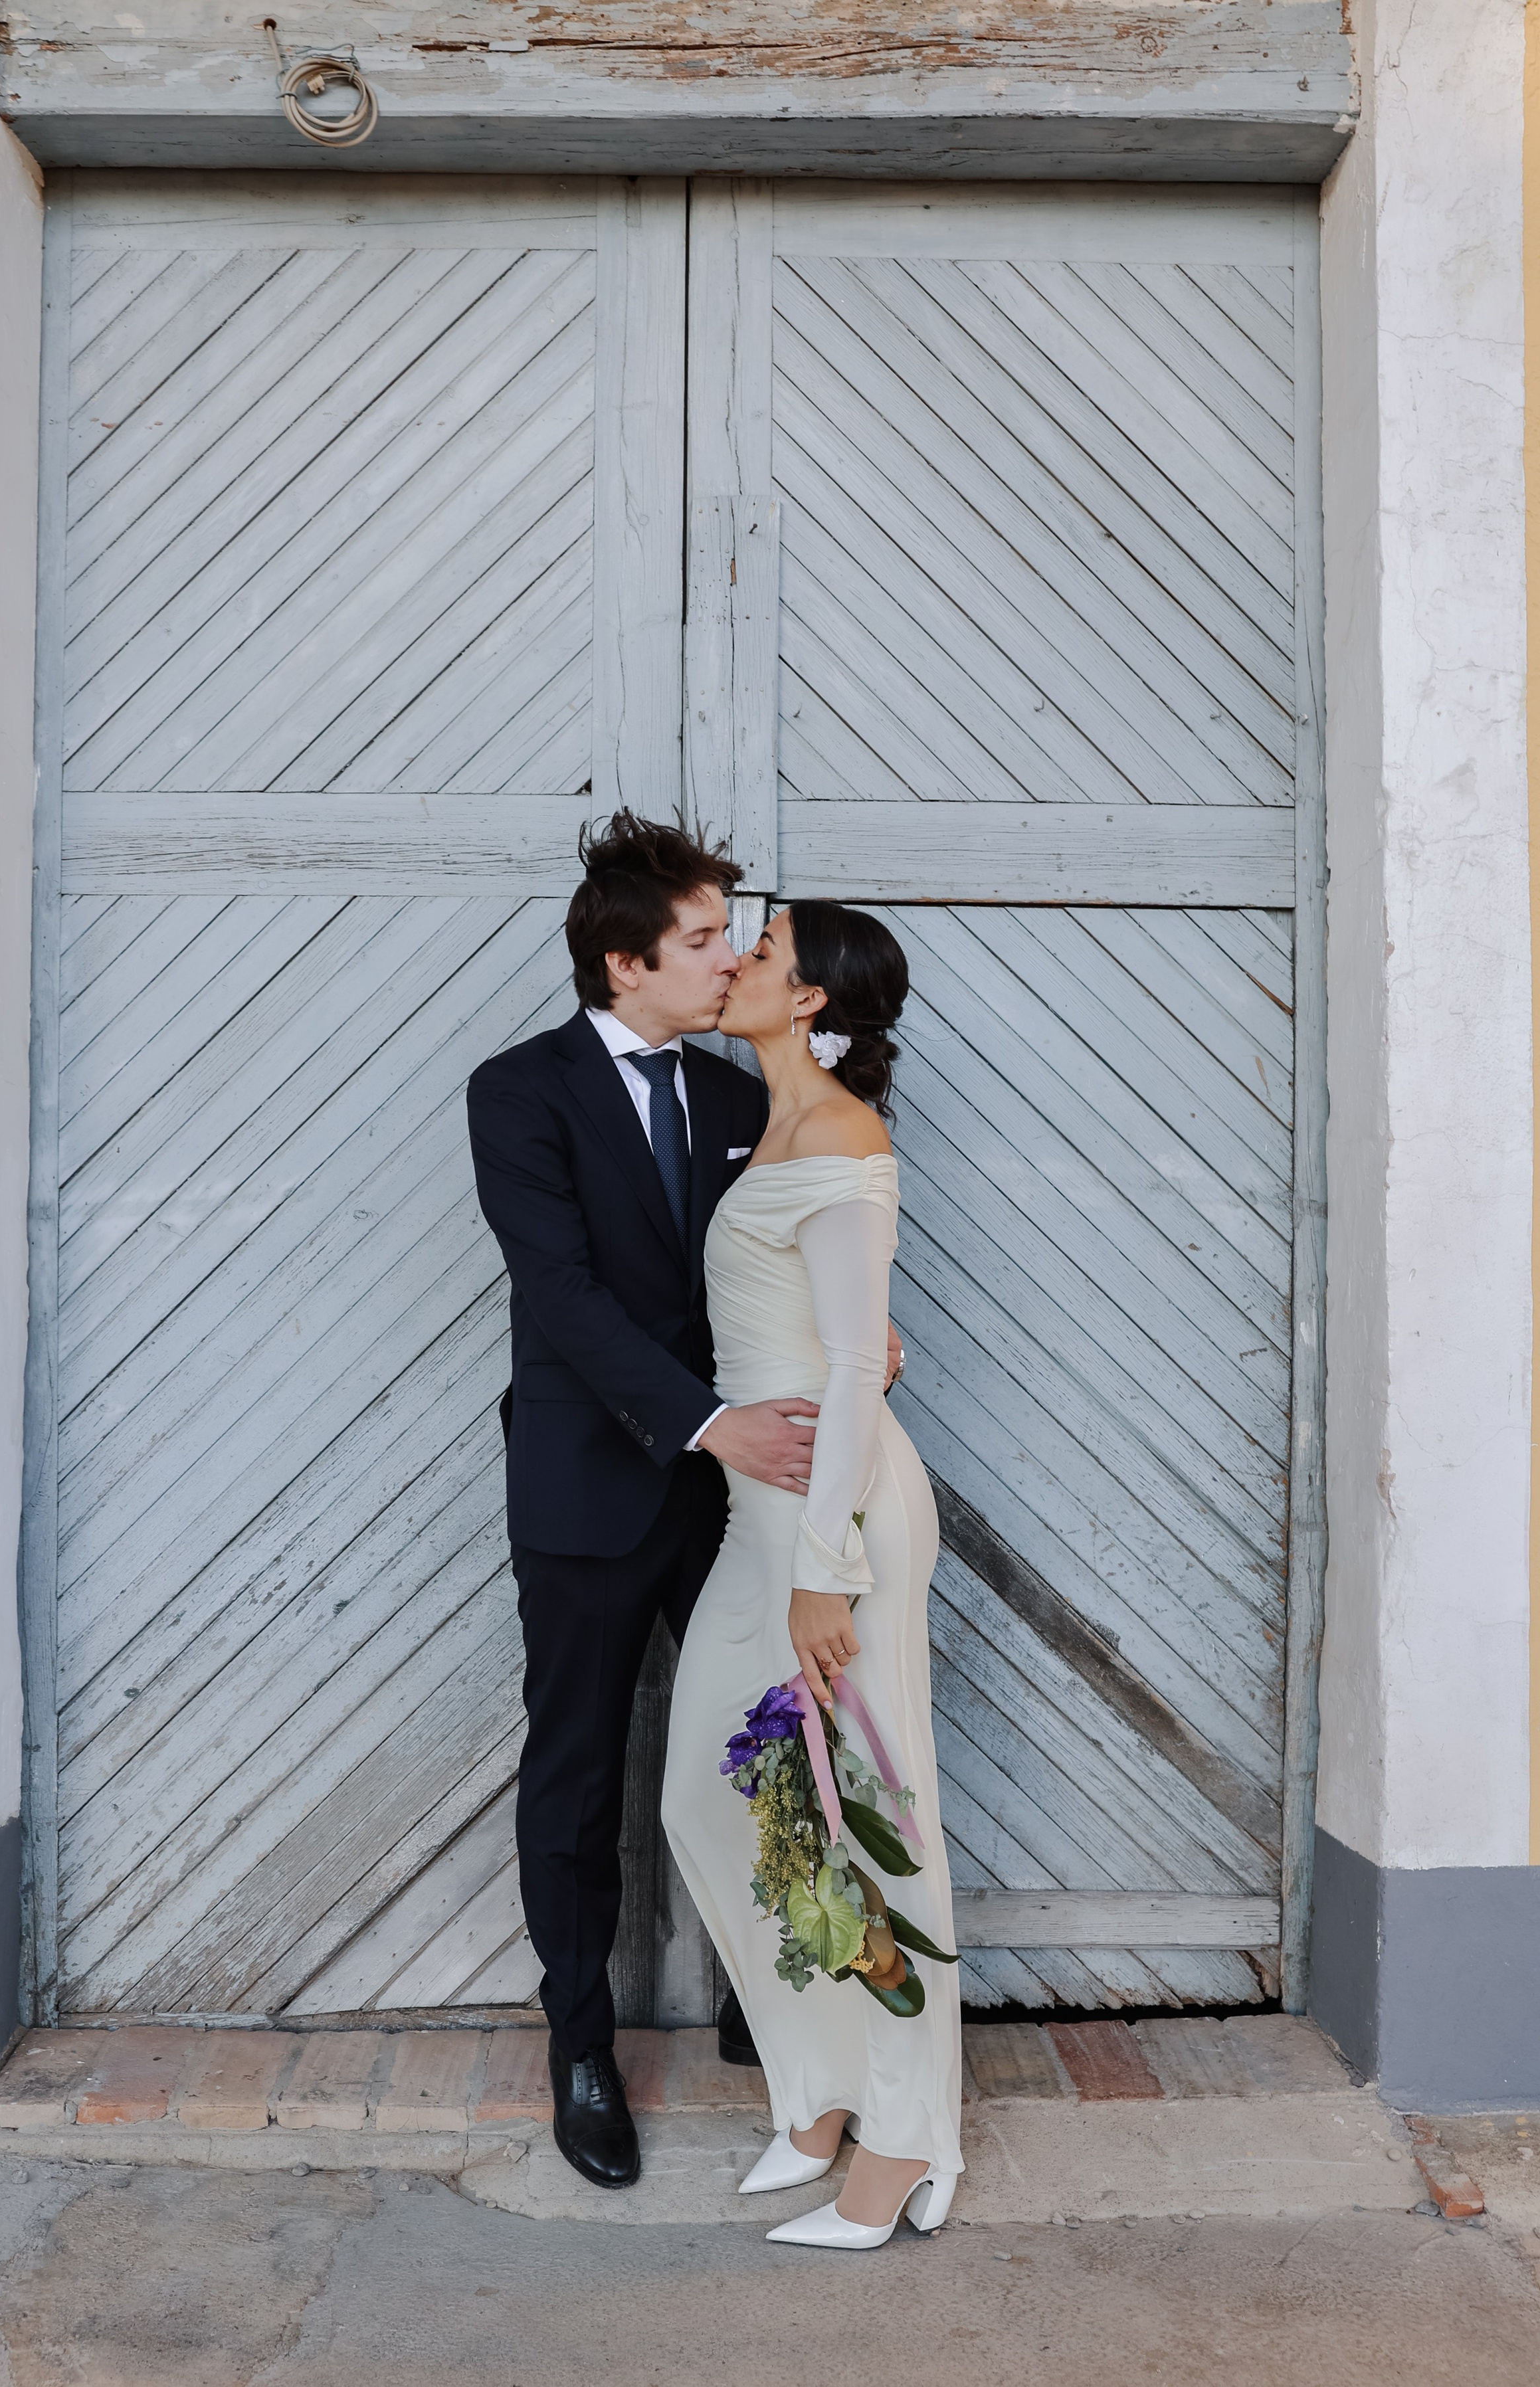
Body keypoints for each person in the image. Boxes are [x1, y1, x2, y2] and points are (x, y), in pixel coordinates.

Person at [466, 812, 822, 2190]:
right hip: (590, 1482)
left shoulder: (740, 1101)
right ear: (625, 964)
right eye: (699, 937)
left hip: (740, 1496)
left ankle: (772, 2007)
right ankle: (578, 2047)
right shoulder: (519, 1092)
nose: (725, 954)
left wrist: (854, 1346)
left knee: (773, 1747)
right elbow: (559, 1296)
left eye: (726, 932)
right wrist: (706, 1420)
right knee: (576, 1772)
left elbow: (777, 1268)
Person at [662, 902, 963, 2249]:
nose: (734, 963)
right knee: (706, 1799)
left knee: (873, 1822)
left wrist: (826, 1569)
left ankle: (902, 2141)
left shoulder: (841, 1137)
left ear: (809, 1000)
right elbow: (832, 1329)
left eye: (761, 954)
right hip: (760, 1515)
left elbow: (851, 1368)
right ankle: (822, 2086)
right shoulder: (773, 1125)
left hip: (835, 1527)